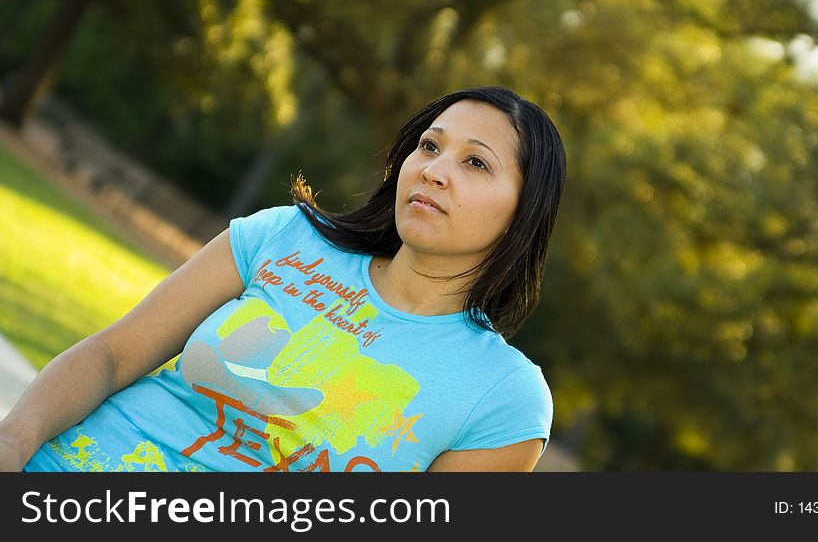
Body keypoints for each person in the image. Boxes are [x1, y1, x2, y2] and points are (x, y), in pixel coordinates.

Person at [0, 85, 566, 472]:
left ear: (525, 209)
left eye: (476, 163)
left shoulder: (504, 400)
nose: (435, 171)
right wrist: (13, 441)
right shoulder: (283, 237)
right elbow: (112, 355)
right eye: (429, 146)